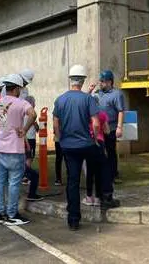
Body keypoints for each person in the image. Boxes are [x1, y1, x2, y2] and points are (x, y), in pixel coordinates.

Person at [0, 74, 37, 226]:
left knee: (0, 182)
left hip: (0, 148)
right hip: (15, 149)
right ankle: (12, 214)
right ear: (17, 88)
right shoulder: (21, 103)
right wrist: (24, 129)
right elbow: (33, 114)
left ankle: (0, 213)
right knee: (14, 183)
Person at [53, 65, 102, 231]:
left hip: (68, 145)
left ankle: (73, 218)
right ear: (82, 81)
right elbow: (95, 123)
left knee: (72, 181)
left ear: (70, 80)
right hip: (86, 144)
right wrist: (95, 139)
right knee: (94, 171)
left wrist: (60, 138)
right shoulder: (88, 99)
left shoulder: (60, 100)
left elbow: (55, 124)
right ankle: (100, 198)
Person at [95, 70, 125, 184]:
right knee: (99, 152)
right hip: (99, 129)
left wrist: (119, 127)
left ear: (109, 82)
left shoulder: (117, 94)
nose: (100, 83)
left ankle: (113, 175)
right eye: (100, 81)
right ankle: (102, 174)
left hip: (111, 128)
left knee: (111, 151)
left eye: (103, 81)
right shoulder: (98, 93)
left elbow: (121, 111)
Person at [82, 100, 110, 207]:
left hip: (89, 143)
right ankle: (98, 198)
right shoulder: (103, 114)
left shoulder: (86, 115)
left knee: (90, 172)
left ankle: (89, 197)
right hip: (101, 143)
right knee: (99, 172)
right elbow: (107, 131)